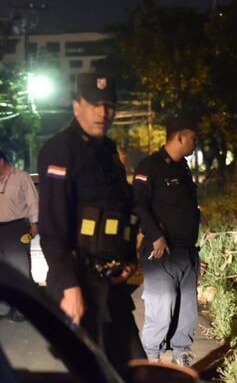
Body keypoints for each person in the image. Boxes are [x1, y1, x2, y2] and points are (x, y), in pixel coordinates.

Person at [37, 73, 145, 375]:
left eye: (109, 105)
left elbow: (119, 207)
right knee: (90, 369)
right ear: (76, 106)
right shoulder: (60, 150)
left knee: (132, 366)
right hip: (79, 281)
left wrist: (128, 258)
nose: (103, 112)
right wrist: (69, 285)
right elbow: (52, 225)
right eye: (95, 104)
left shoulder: (107, 150)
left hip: (111, 281)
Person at [133, 114, 200, 367]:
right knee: (161, 308)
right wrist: (155, 235)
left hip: (185, 252)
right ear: (180, 137)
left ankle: (182, 355)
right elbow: (138, 205)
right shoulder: (148, 167)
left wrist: (194, 257)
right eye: (193, 138)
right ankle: (152, 359)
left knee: (187, 310)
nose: (195, 143)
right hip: (161, 251)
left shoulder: (183, 167)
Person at [0, 149, 39, 322]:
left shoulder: (21, 177)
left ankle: (26, 307)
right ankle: (4, 309)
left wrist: (35, 223)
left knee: (20, 268)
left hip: (16, 227)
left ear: (1, 161)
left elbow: (33, 200)